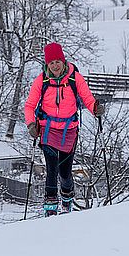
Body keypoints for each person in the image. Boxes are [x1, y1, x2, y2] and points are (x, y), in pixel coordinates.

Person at [24, 42, 103, 216]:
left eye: (58, 61)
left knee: (65, 173)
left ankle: (67, 200)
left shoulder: (75, 78)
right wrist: (31, 124)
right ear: (47, 65)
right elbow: (29, 105)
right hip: (47, 129)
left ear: (63, 60)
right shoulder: (42, 80)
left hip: (69, 130)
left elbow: (87, 98)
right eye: (51, 63)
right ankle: (50, 209)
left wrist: (95, 108)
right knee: (51, 171)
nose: (55, 65)